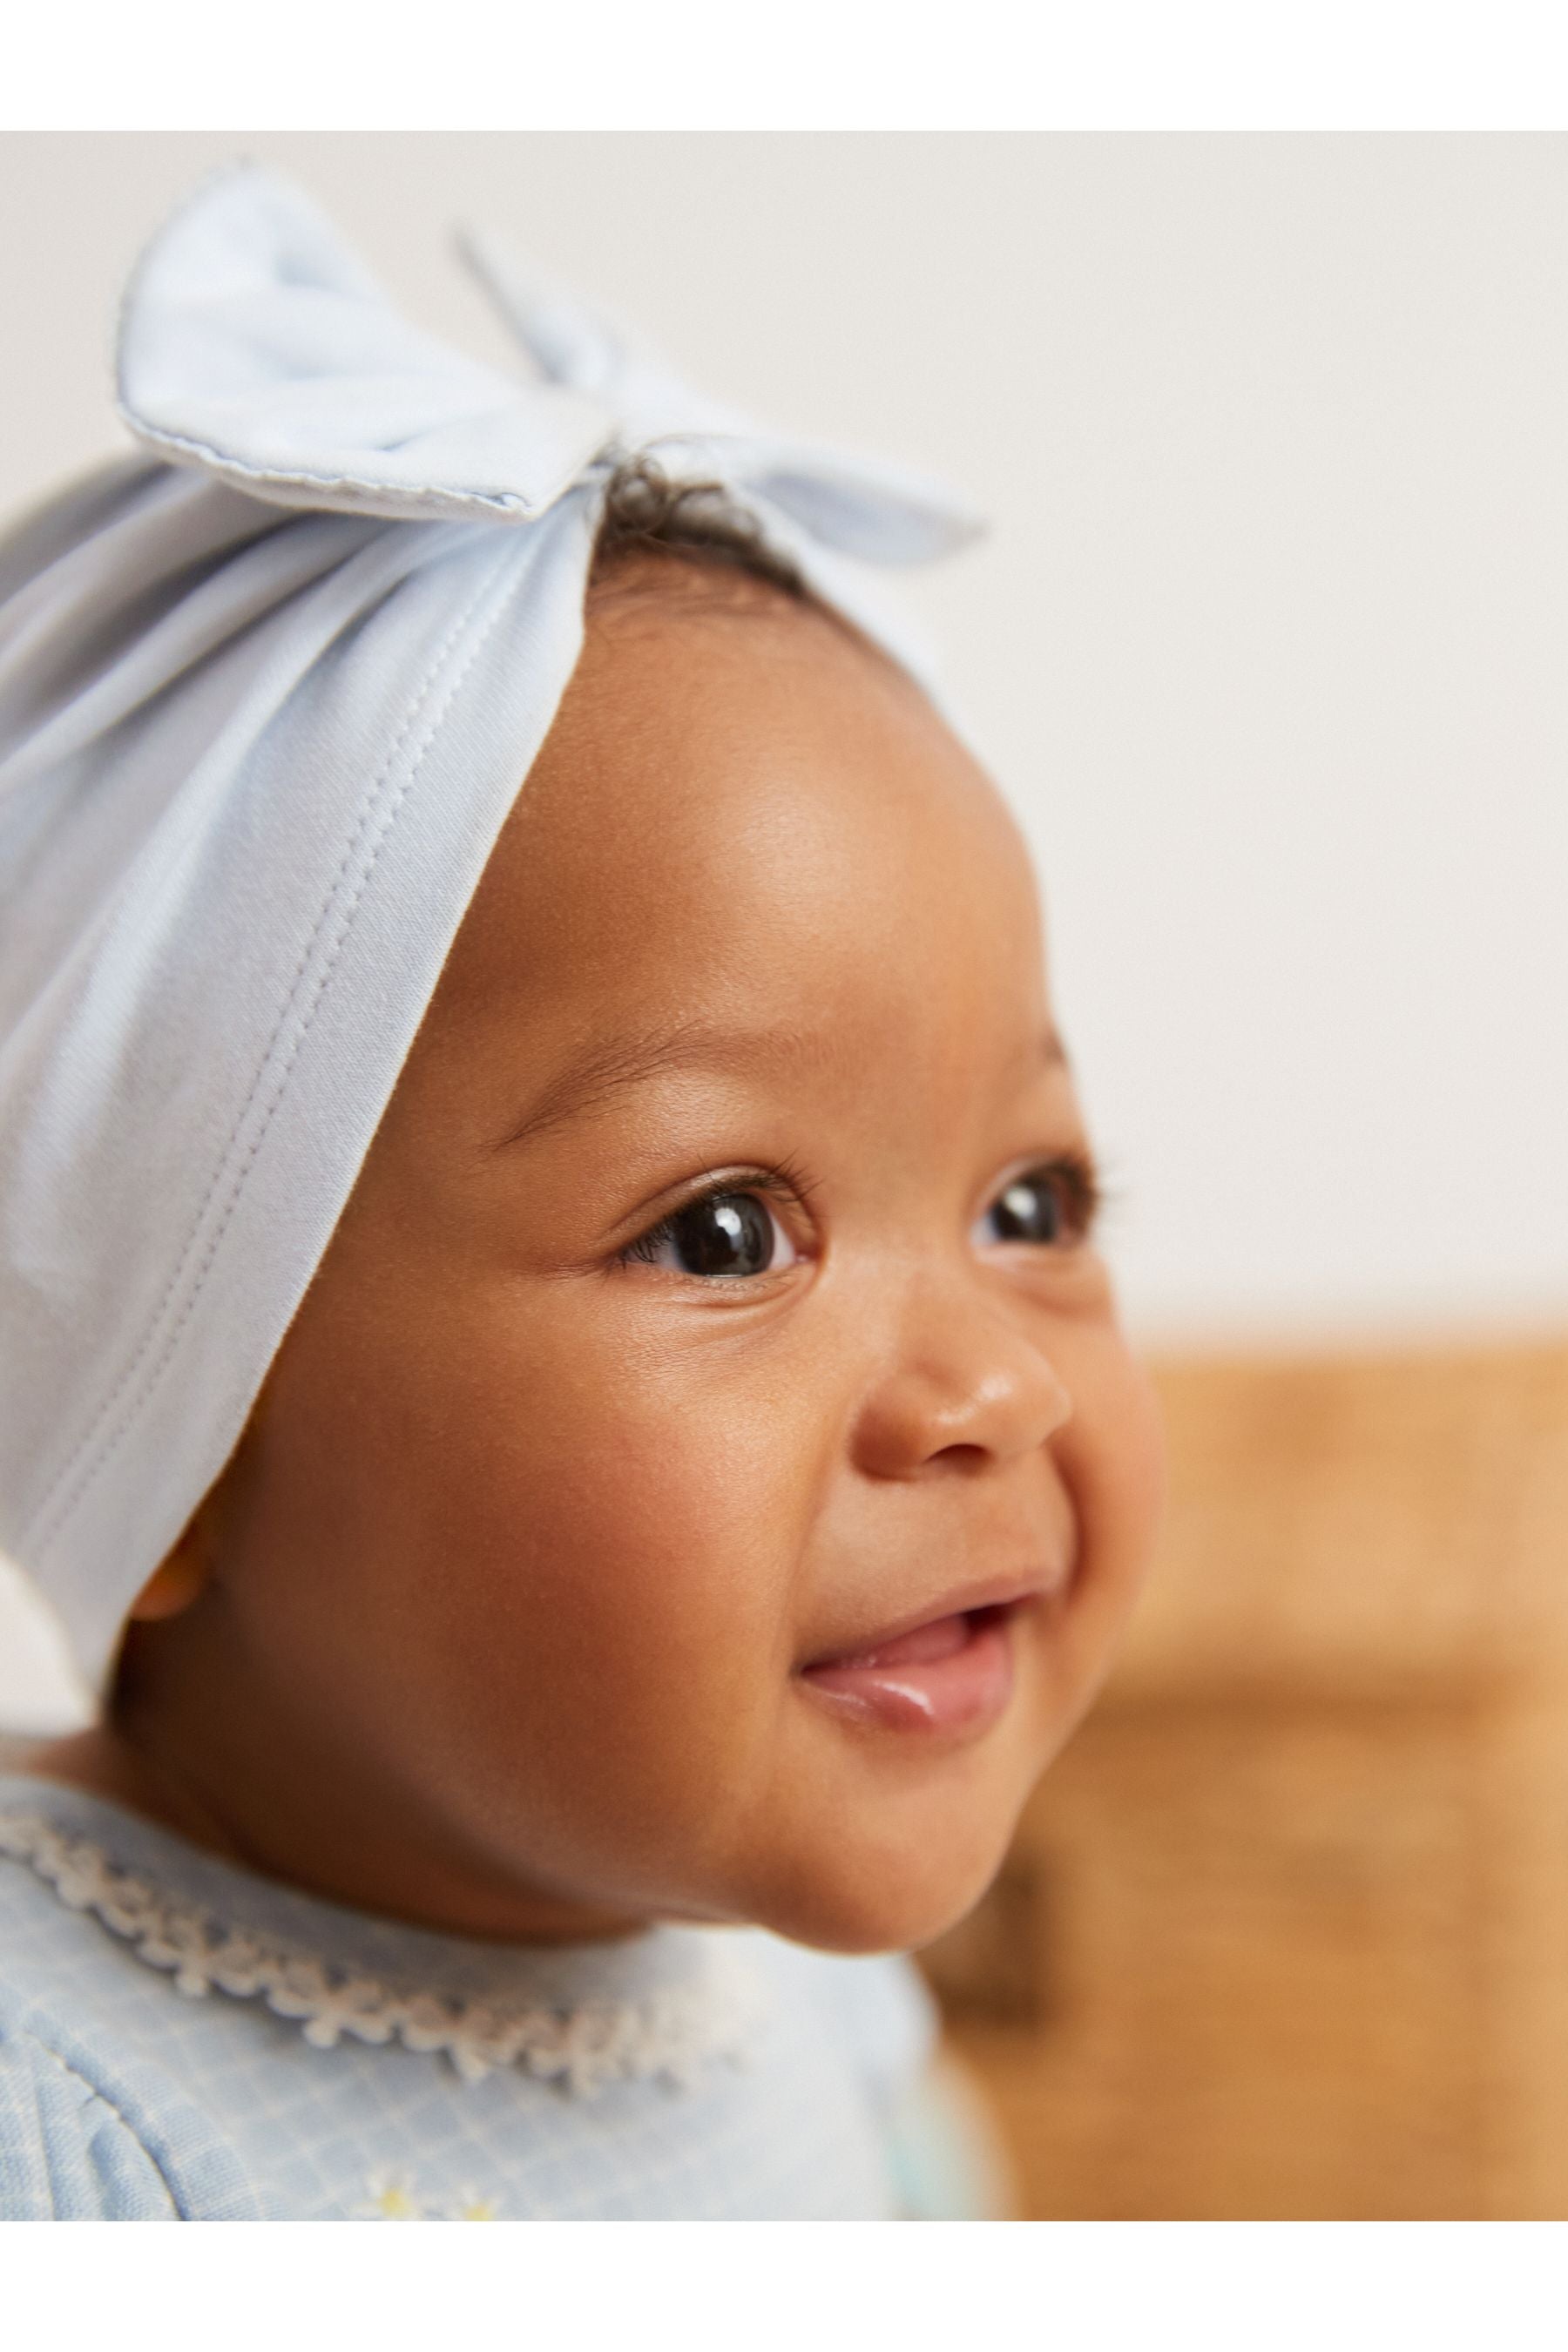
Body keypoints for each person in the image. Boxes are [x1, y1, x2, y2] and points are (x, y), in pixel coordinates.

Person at [0, 163, 1164, 2220]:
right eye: (727, 1230)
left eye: (1032, 1203)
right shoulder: (68, 2121)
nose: (994, 1389)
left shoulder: (805, 2001)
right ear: (174, 1427)